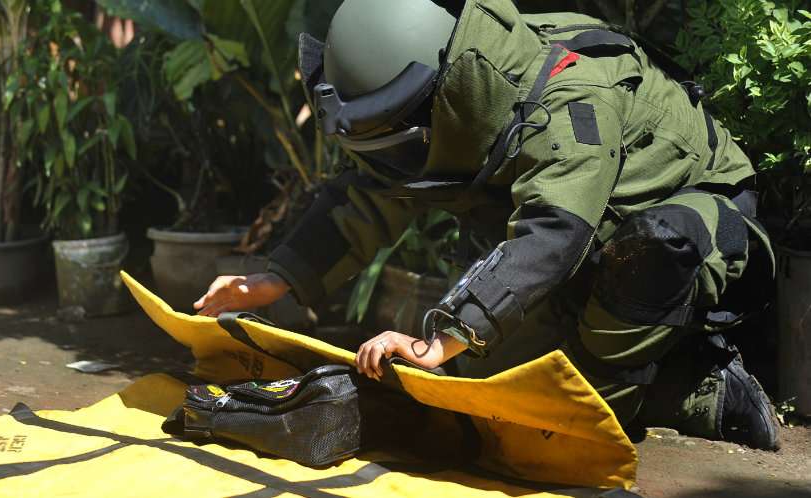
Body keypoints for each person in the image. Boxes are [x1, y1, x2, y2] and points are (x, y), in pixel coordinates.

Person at [194, 0, 781, 450]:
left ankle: (697, 389)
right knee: (481, 397)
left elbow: (555, 232)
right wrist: (274, 280)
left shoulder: (571, 97)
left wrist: (444, 338)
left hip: (699, 221)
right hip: (588, 233)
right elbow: (374, 191)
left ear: (438, 101)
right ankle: (665, 380)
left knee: (642, 268)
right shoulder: (464, 96)